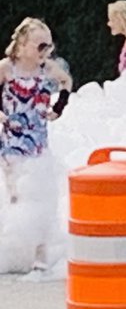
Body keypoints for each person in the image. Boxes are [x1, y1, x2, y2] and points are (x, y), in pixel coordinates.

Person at [0, 18, 72, 270]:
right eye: (40, 46)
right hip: (11, 142)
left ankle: (40, 255)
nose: (46, 52)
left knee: (41, 195)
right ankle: (14, 249)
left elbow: (66, 82)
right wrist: (2, 116)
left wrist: (58, 107)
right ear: (22, 44)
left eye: (49, 47)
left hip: (39, 140)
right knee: (17, 194)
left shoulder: (47, 69)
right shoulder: (7, 68)